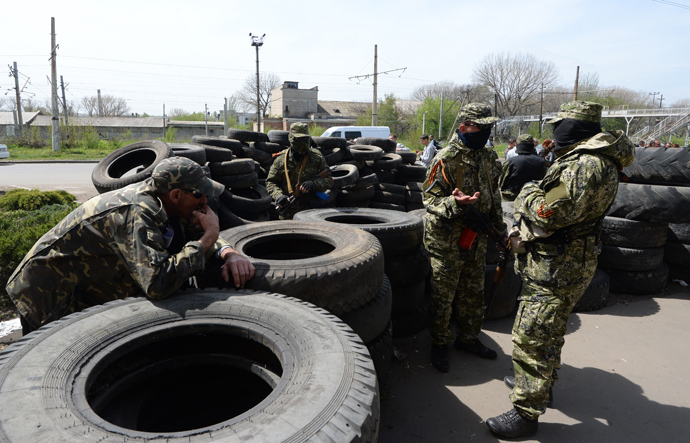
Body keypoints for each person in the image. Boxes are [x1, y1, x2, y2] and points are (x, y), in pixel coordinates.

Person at [485, 101, 635, 438]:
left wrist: (526, 193)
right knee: (549, 331)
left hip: (556, 267)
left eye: (559, 124)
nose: (555, 131)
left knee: (532, 336)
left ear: (572, 127)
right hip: (568, 262)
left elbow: (548, 213)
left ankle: (525, 412)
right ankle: (540, 386)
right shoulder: (594, 161)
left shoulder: (584, 165)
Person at [6, 157, 256, 335]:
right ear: (177, 195)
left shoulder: (165, 201)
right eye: (199, 194)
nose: (205, 201)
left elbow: (197, 230)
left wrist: (228, 251)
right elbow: (157, 283)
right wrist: (209, 237)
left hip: (90, 283)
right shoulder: (136, 213)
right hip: (47, 295)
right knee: (68, 374)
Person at [422, 103, 506, 373]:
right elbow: (429, 199)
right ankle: (439, 343)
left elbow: (494, 196)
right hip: (447, 239)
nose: (486, 132)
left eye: (489, 128)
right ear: (463, 128)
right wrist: (454, 204)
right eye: (481, 127)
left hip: (476, 237)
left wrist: (499, 229)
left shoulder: (488, 157)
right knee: (444, 295)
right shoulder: (445, 158)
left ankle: (468, 338)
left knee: (472, 291)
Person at [266, 122, 333, 220]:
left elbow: (330, 180)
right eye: (298, 139)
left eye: (305, 139)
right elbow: (271, 182)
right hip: (288, 213)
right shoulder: (281, 160)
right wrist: (278, 196)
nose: (302, 142)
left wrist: (314, 184)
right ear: (291, 138)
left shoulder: (316, 157)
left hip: (311, 213)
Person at [498, 134, 548, 201]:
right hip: (534, 198)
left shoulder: (511, 161)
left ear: (518, 146)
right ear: (532, 146)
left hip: (513, 198)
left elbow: (502, 182)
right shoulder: (541, 161)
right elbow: (545, 181)